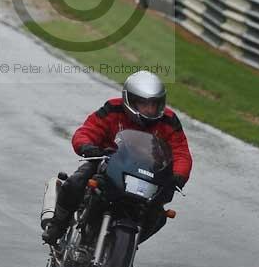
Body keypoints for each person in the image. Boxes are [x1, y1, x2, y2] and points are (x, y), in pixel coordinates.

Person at [42, 70, 192, 245]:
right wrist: (88, 147)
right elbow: (88, 130)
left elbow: (181, 151)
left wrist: (179, 174)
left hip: (147, 173)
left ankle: (130, 245)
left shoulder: (169, 120)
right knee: (76, 182)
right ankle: (57, 226)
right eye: (144, 104)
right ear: (129, 100)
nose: (150, 109)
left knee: (158, 214)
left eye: (155, 104)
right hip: (107, 163)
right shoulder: (113, 109)